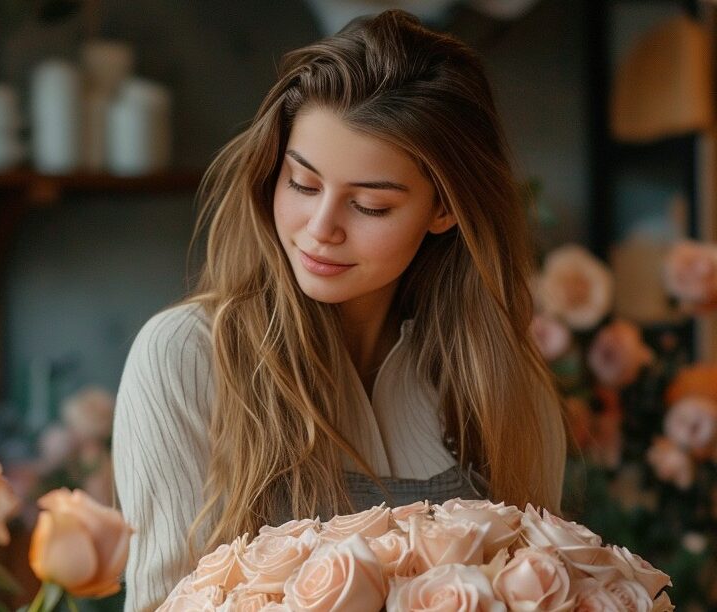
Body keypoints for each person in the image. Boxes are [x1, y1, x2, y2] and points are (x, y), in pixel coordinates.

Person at [112, 9, 567, 611]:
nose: (320, 229)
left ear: (444, 210)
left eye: (371, 205)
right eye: (302, 184)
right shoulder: (186, 357)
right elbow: (161, 604)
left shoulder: (500, 384)